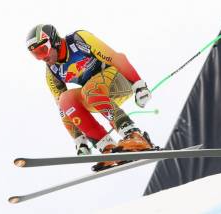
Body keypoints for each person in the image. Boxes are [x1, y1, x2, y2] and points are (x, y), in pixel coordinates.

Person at [26, 24, 153, 170]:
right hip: (95, 96)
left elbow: (116, 58)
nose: (43, 58)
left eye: (43, 50)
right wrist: (79, 139)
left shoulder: (78, 40)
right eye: (36, 54)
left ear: (54, 40)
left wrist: (138, 85)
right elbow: (63, 110)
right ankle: (107, 148)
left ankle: (134, 136)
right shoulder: (53, 71)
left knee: (89, 90)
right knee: (65, 99)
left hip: (120, 80)